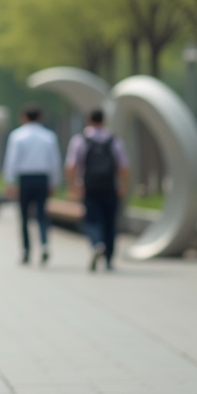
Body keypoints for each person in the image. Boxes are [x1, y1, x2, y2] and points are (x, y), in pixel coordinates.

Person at [65, 109, 130, 272]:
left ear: (88, 120)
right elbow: (123, 166)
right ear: (104, 121)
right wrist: (123, 185)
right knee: (110, 222)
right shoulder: (114, 140)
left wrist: (73, 187)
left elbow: (72, 165)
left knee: (92, 219)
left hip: (89, 187)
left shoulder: (80, 140)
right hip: (110, 187)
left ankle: (96, 243)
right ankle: (108, 258)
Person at [3, 105, 62, 265]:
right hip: (42, 178)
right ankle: (44, 245)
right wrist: (54, 181)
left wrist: (9, 181)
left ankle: (26, 250)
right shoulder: (49, 136)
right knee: (42, 214)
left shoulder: (17, 136)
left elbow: (11, 160)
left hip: (25, 179)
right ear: (40, 117)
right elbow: (54, 161)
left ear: (24, 117)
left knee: (24, 216)